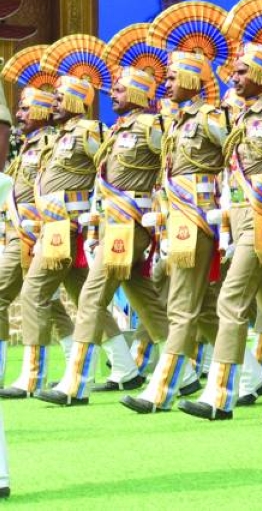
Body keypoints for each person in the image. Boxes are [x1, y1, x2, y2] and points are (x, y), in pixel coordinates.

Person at [180, 0, 262, 422]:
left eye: (239, 72)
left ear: (261, 75)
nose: (232, 78)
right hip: (242, 221)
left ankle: (220, 395)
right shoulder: (238, 115)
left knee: (230, 301)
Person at [39, 62, 170, 406]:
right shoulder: (117, 130)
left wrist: (166, 212)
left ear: (141, 93)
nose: (113, 93)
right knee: (145, 299)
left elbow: (176, 165)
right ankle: (180, 373)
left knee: (91, 295)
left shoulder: (152, 126)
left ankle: (75, 383)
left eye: (121, 88)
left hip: (131, 225)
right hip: (113, 224)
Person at [122, 6, 230, 413]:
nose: (165, 84)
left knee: (182, 304)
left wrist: (225, 211)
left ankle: (162, 388)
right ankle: (247, 373)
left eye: (171, 77)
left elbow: (236, 161)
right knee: (200, 306)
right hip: (175, 219)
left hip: (198, 218)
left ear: (190, 80)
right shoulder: (178, 122)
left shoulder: (210, 119)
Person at [0, 80, 75, 398]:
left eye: (25, 108)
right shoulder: (29, 145)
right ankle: (79, 365)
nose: (18, 114)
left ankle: (32, 375)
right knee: (52, 301)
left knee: (19, 296)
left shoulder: (50, 144)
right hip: (22, 231)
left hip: (39, 232)